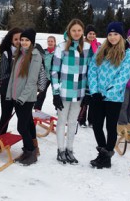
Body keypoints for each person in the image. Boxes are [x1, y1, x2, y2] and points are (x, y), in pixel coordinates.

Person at [88, 21, 130, 169]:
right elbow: (92, 70)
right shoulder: (101, 50)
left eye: (116, 34)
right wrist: (95, 91)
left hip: (113, 98)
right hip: (97, 96)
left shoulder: (127, 53)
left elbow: (123, 77)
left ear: (121, 36)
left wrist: (108, 93)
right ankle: (103, 153)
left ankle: (106, 157)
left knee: (110, 127)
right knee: (96, 125)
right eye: (110, 34)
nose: (113, 37)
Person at [51, 19, 94, 164]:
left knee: (73, 121)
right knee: (62, 121)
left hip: (79, 92)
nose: (76, 33)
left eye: (79, 30)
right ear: (69, 31)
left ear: (83, 32)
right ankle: (61, 150)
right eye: (74, 30)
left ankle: (69, 149)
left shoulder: (87, 48)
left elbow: (90, 72)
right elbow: (54, 71)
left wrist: (88, 93)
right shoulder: (61, 47)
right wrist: (55, 93)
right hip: (64, 91)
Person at [6, 28, 42, 166]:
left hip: (26, 99)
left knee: (22, 127)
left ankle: (31, 151)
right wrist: (10, 95)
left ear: (32, 42)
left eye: (27, 40)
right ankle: (27, 151)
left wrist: (22, 98)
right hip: (16, 97)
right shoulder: (19, 54)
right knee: (26, 124)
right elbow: (13, 78)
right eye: (22, 40)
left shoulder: (35, 56)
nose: (24, 42)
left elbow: (32, 81)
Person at [0, 27, 22, 135]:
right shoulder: (6, 53)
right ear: (11, 40)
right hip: (7, 90)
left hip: (21, 90)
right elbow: (3, 74)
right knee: (6, 115)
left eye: (20, 39)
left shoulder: (27, 52)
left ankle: (29, 143)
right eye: (15, 39)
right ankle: (0, 137)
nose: (18, 41)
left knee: (23, 116)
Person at [78, 24, 101, 128]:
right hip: (84, 74)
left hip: (94, 75)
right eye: (90, 33)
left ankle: (91, 120)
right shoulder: (81, 44)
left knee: (93, 99)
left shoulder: (98, 45)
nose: (92, 35)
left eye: (94, 34)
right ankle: (81, 120)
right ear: (86, 34)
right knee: (85, 99)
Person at [34, 36, 56, 111]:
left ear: (54, 42)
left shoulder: (57, 52)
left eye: (51, 41)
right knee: (42, 92)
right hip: (45, 76)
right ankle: (37, 108)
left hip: (55, 76)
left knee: (56, 93)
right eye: (49, 41)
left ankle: (58, 109)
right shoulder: (44, 52)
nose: (50, 43)